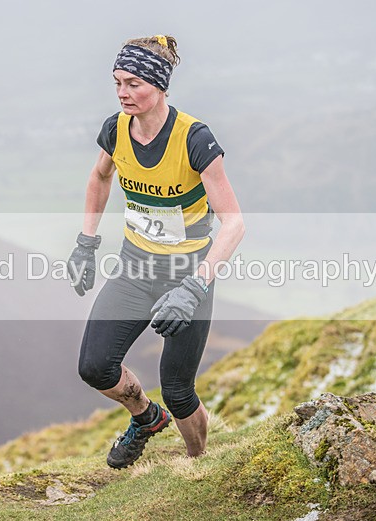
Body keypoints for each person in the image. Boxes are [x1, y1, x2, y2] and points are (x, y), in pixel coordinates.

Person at [69, 34, 245, 469]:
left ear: (160, 85)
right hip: (135, 268)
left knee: (179, 388)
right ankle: (146, 419)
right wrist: (86, 243)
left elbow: (234, 223)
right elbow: (99, 178)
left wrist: (194, 287)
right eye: (117, 83)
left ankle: (198, 462)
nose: (123, 93)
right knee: (95, 367)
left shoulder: (195, 139)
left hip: (188, 274)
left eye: (133, 83)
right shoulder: (115, 130)